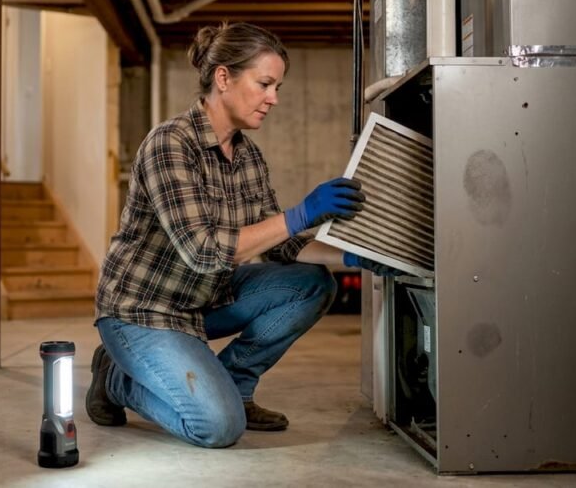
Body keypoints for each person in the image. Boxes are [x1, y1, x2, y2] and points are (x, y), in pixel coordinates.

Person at [87, 22, 400, 448]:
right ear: (223, 78)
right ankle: (114, 380)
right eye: (265, 83)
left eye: (277, 87)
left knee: (311, 284)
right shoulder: (170, 144)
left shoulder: (248, 155)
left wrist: (352, 254)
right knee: (217, 427)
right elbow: (203, 252)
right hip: (143, 311)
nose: (274, 98)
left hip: (203, 301)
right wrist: (302, 211)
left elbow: (284, 245)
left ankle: (236, 387)